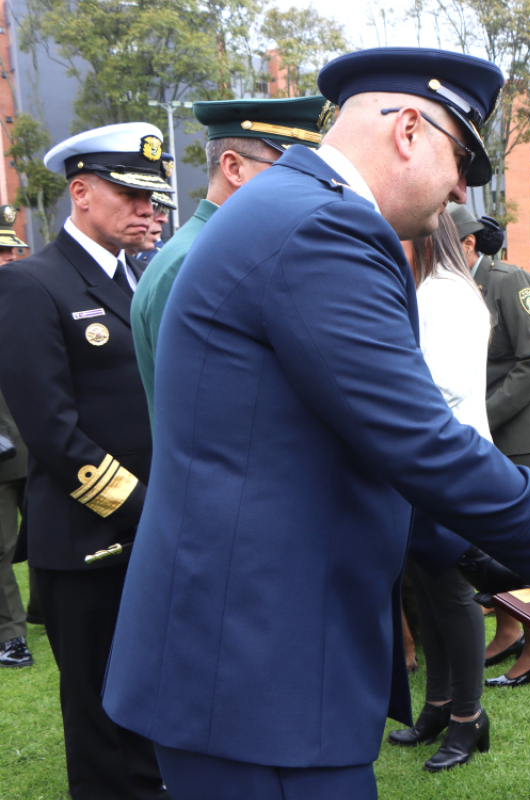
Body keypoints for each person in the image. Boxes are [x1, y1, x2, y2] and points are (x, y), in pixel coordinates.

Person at [99, 48, 530, 800]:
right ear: (407, 129)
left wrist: (463, 548)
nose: (463, 186)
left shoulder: (292, 210)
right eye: (462, 157)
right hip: (259, 664)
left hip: (244, 650)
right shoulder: (323, 227)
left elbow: (337, 444)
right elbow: (416, 437)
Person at [0, 122, 172, 799]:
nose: (148, 209)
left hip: (144, 533)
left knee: (145, 697)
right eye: (130, 193)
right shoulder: (33, 285)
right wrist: (145, 509)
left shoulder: (135, 284)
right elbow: (54, 433)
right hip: (88, 542)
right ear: (80, 192)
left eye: (153, 197)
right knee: (99, 713)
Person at [132, 96, 328, 422]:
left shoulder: (224, 251)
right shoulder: (193, 261)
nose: (312, 185)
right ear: (233, 168)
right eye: (293, 169)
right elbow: (207, 416)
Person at [435, 203, 530, 681]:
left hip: (516, 431)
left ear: (468, 244)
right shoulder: (457, 288)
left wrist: (479, 417)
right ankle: (510, 633)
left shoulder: (508, 281)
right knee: (494, 541)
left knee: (521, 538)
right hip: (481, 429)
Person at [390, 213, 493, 771]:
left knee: (453, 595)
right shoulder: (429, 287)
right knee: (428, 591)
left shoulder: (445, 293)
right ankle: (437, 704)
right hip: (427, 463)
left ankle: (467, 717)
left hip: (451, 465)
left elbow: (442, 386)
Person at [0, 386, 30, 668]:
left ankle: (45, 609)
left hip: (36, 446)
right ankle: (11, 634)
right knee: (1, 548)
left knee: (47, 535)